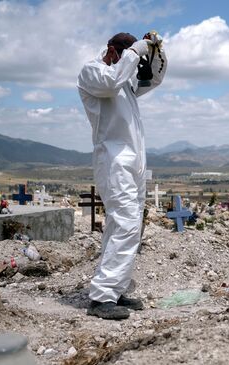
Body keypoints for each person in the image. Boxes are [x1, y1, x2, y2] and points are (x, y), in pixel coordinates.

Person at [76, 32, 167, 320]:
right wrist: (135, 51)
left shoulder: (123, 80)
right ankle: (102, 296)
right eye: (128, 55)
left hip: (133, 162)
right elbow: (111, 81)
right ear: (113, 51)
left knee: (123, 226)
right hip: (113, 160)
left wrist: (155, 53)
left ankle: (115, 289)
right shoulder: (93, 72)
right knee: (126, 223)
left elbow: (151, 80)